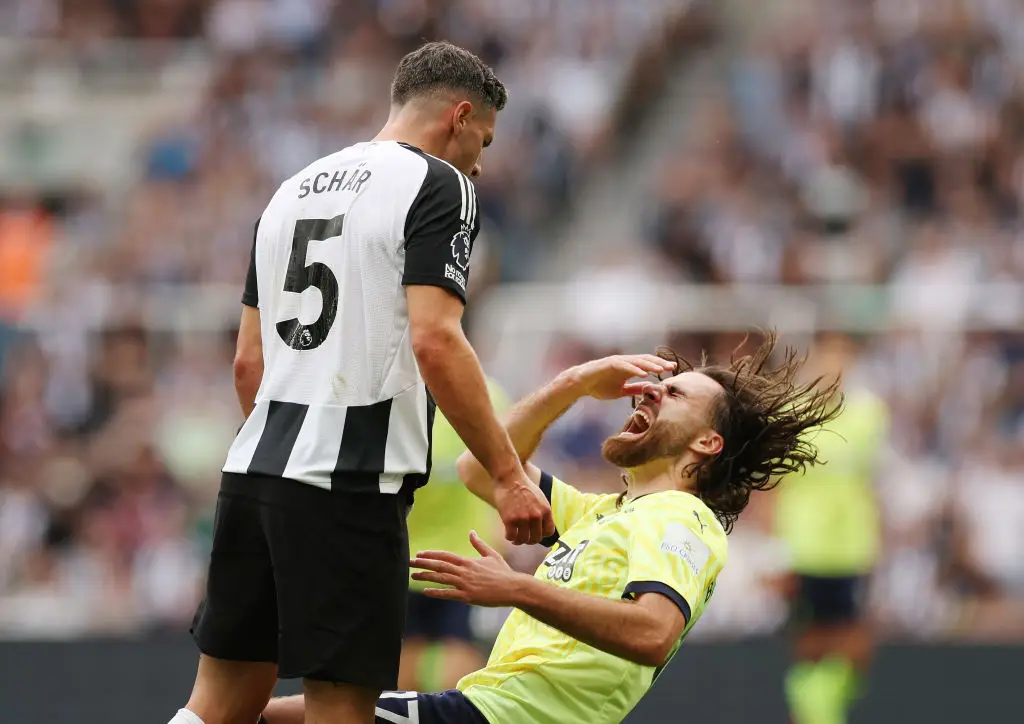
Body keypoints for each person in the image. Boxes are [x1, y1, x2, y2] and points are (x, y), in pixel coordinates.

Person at [167, 41, 554, 724]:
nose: (482, 161)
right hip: (349, 483)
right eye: (483, 139)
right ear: (459, 116)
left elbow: (247, 365)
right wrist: (509, 475)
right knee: (342, 709)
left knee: (218, 705)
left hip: (255, 472)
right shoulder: (439, 184)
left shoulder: (291, 190)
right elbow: (436, 337)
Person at [261, 334, 843, 724]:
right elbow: (481, 468)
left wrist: (515, 588)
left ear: (707, 443)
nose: (649, 391)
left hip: (510, 717)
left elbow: (652, 632)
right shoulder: (605, 513)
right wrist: (576, 383)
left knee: (282, 716)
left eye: (674, 394)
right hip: (487, 706)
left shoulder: (683, 518)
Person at [773, 332, 889, 724]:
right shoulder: (791, 413)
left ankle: (820, 707)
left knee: (856, 642)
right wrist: (775, 546)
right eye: (828, 354)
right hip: (804, 545)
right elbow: (773, 483)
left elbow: (872, 482)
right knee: (809, 640)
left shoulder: (869, 413)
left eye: (844, 355)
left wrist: (879, 540)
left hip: (853, 545)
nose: (835, 364)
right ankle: (811, 713)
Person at [399, 379, 509, 692]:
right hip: (468, 560)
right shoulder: (488, 396)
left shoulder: (396, 394)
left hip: (406, 558)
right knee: (459, 648)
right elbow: (514, 465)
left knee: (407, 651)